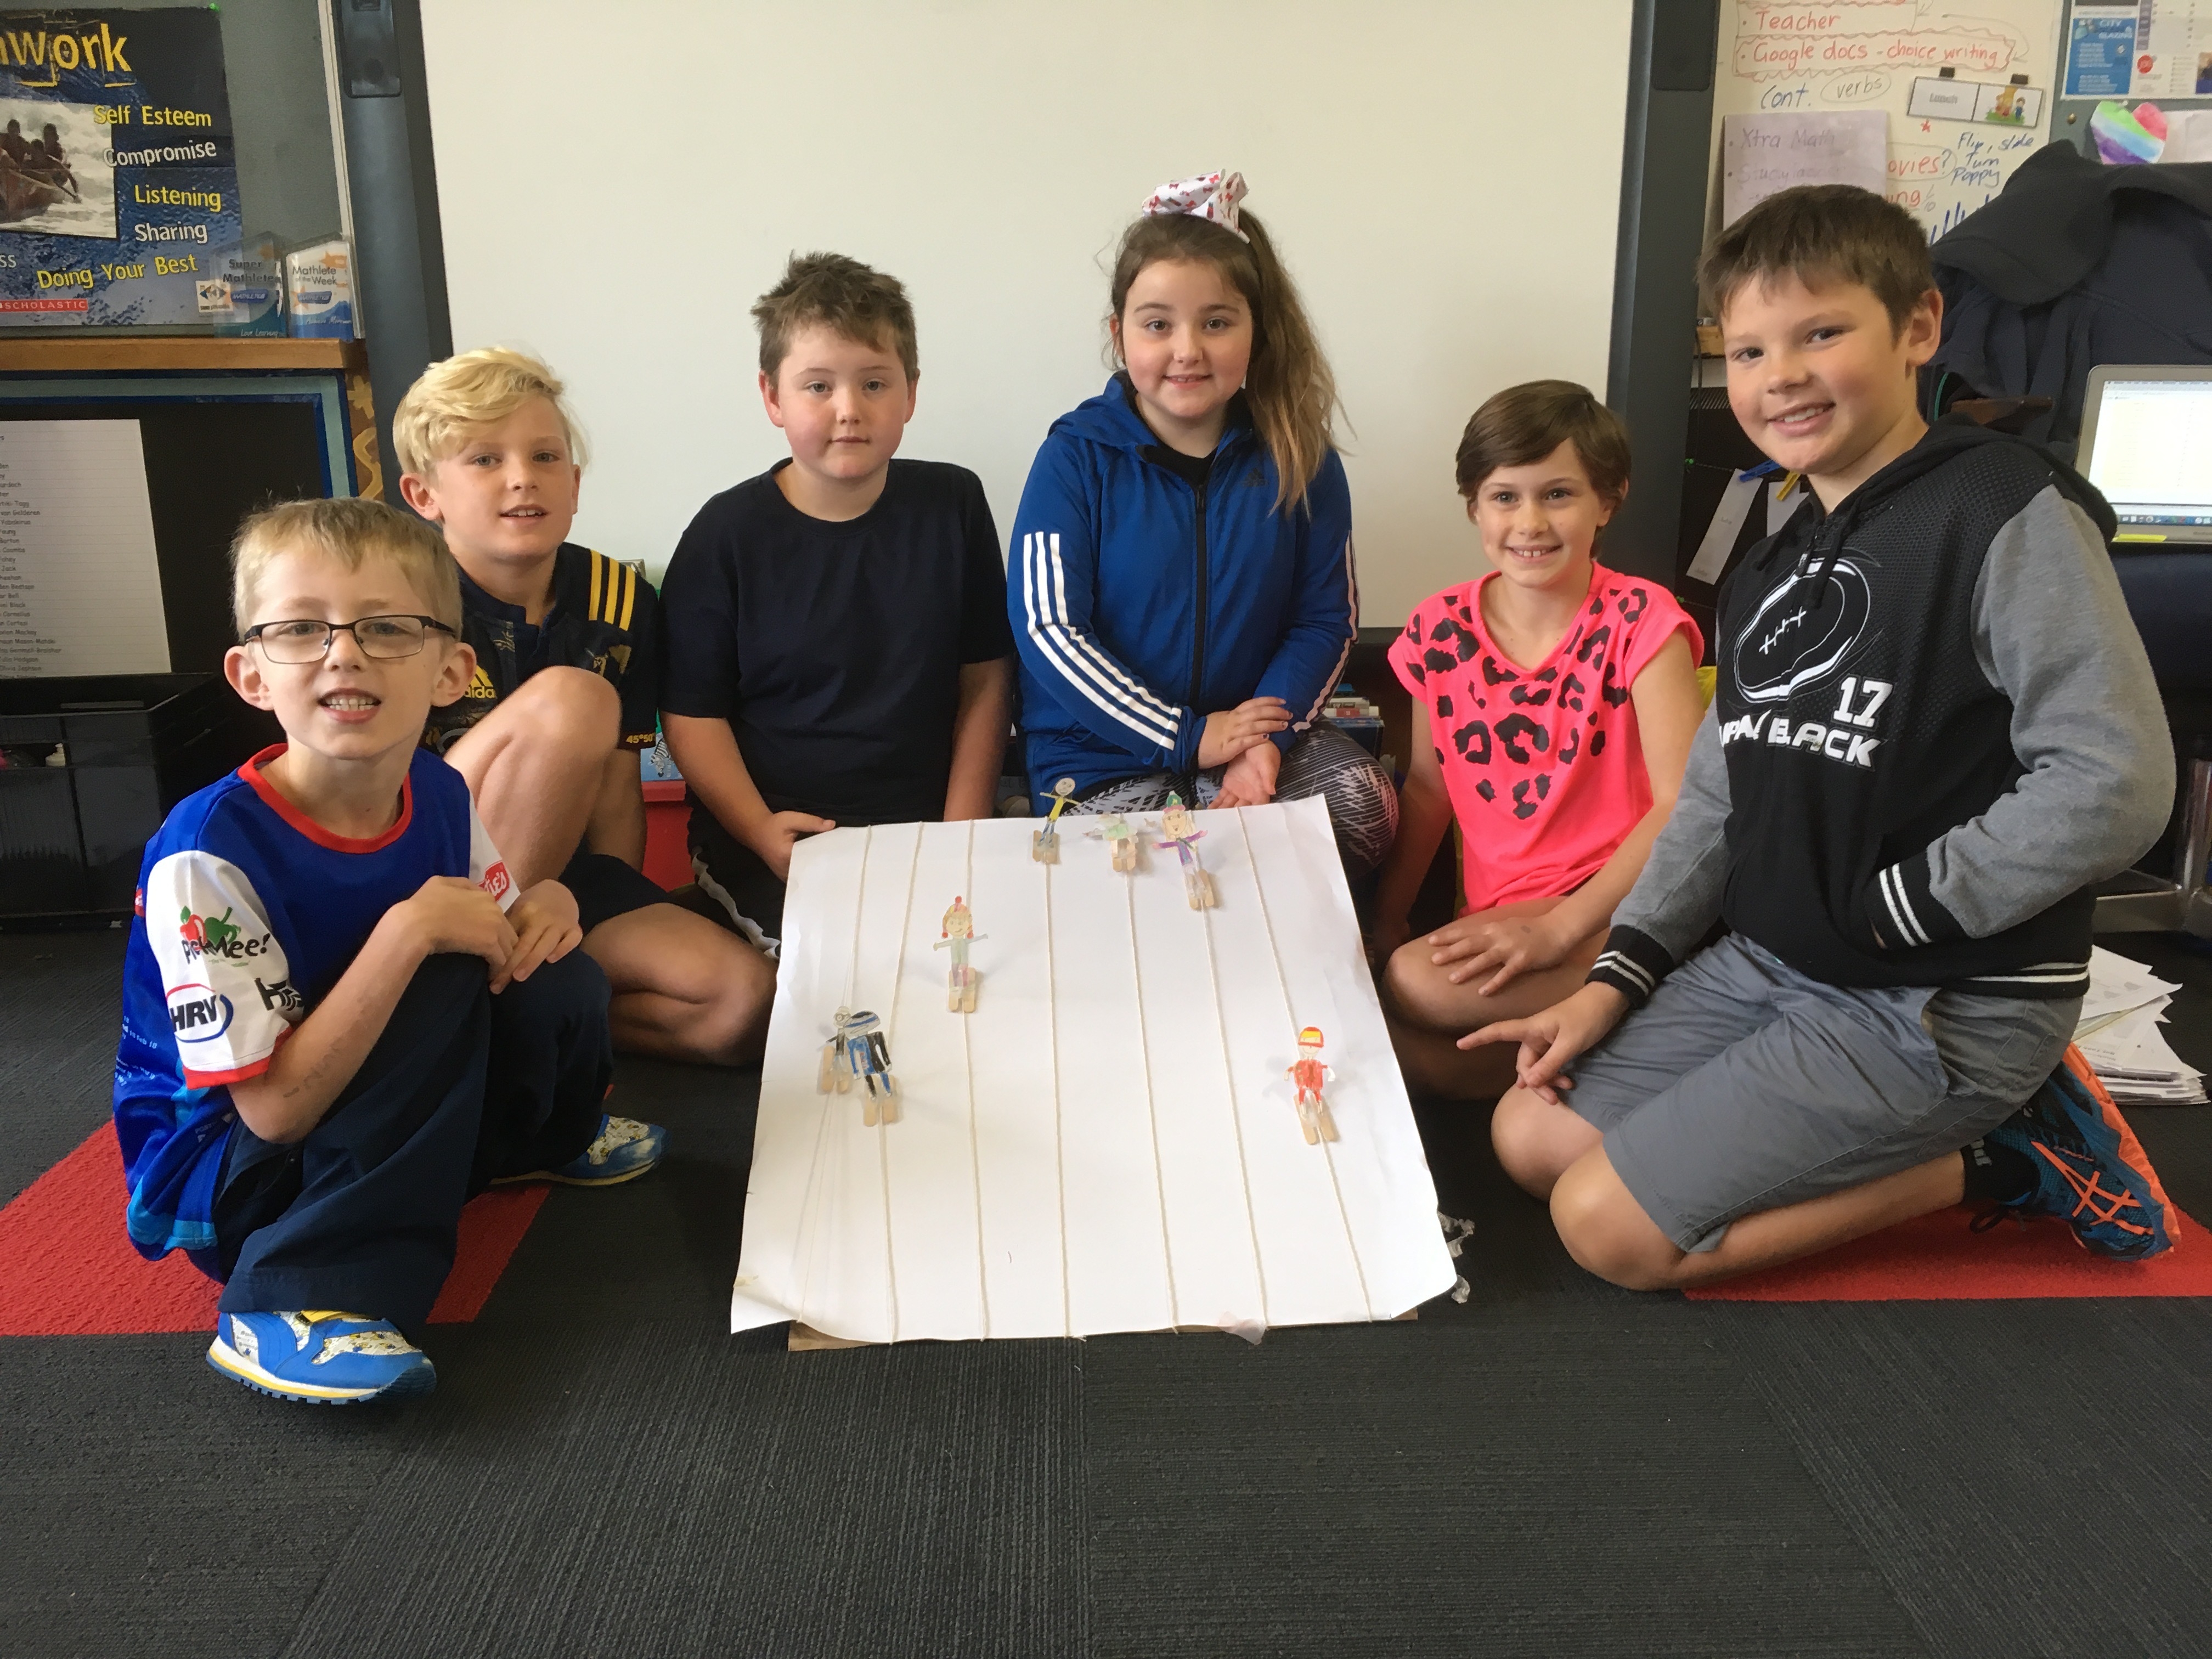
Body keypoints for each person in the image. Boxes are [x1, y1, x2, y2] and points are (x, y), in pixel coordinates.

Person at [1472, 184, 2176, 1290]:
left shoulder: (2003, 510)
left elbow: (2114, 779)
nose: (1781, 376)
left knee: (1607, 1230)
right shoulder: (1771, 561)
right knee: (1528, 1138)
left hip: (1933, 999)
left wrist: (1894, 908)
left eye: (1821, 334)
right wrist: (1612, 982)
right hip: (1773, 964)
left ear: (1919, 327)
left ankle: (2015, 1154)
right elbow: (1717, 797)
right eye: (1749, 350)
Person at [111, 498, 666, 1405]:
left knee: (548, 968)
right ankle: (296, 1293)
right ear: (251, 675)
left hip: (363, 1098)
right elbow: (272, 1112)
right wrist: (408, 933)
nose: (344, 653)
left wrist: (548, 904)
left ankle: (532, 1138)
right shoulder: (207, 852)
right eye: (301, 628)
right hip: (233, 1171)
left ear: (453, 671)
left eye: (387, 627)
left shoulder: (439, 789)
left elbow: (501, 940)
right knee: (436, 961)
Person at [396, 348, 775, 1066]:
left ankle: (508, 1015)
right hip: (429, 887)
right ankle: (450, 993)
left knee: (743, 1003)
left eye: (545, 456)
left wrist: (602, 893)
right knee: (575, 699)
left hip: (558, 888)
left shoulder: (622, 598)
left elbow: (617, 786)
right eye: (485, 460)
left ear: (573, 483)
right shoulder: (398, 601)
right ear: (424, 495)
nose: (522, 478)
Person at [1007, 170, 1395, 871]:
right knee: (1164, 870)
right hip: (1102, 756)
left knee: (1361, 808)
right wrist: (1186, 737)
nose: (1187, 349)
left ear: (1256, 330)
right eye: (1158, 324)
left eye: (1216, 322)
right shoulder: (1074, 458)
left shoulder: (1300, 458)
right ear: (1119, 334)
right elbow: (1050, 630)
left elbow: (1324, 621)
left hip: (1248, 734)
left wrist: (1263, 742)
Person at [658, 253, 1013, 947]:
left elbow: (986, 679)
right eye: (818, 386)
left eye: (874, 383)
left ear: (910, 393)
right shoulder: (724, 535)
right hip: (779, 836)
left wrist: (960, 836)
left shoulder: (955, 503)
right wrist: (760, 830)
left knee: (980, 965)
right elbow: (693, 716)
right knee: (850, 978)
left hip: (928, 828)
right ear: (772, 397)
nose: (849, 409)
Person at [1376, 382, 1705, 1099]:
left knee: (1412, 984)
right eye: (1505, 497)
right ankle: (1606, 1046)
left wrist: (1560, 930)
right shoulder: (1437, 628)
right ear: (1474, 506)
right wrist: (1385, 918)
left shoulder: (1643, 621)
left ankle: (1660, 1001)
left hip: (1624, 903)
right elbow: (1429, 789)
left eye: (1558, 495)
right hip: (1507, 913)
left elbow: (1683, 806)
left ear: (1607, 502)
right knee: (1402, 1052)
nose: (1530, 522)